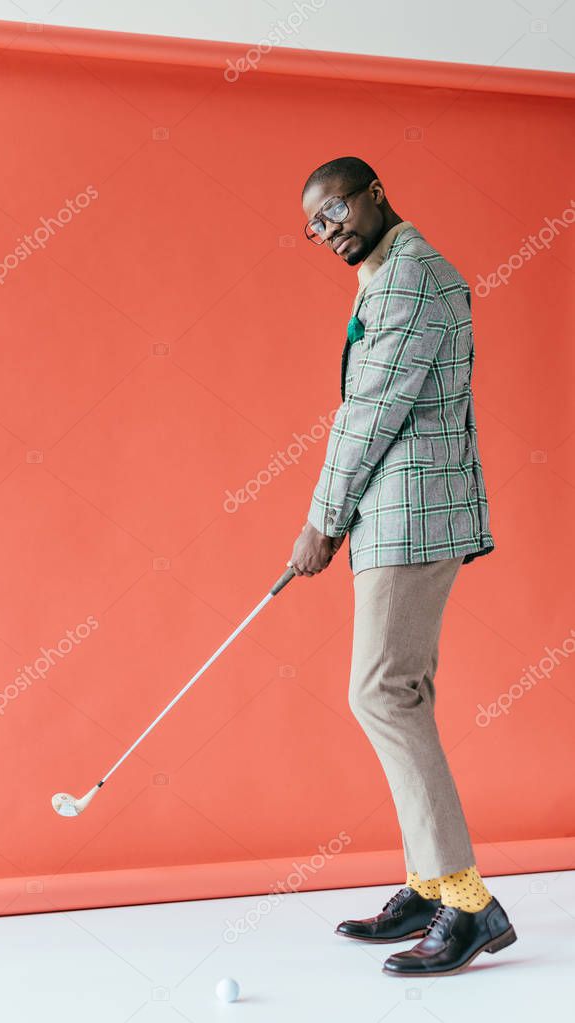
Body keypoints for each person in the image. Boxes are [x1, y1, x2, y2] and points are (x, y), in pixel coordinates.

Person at [287, 156, 516, 977]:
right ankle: (426, 883)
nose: (328, 230)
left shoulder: (408, 276)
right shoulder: (392, 272)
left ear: (375, 194)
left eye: (336, 210)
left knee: (380, 692)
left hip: (410, 512)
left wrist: (321, 519)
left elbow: (370, 411)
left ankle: (467, 901)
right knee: (401, 690)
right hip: (402, 509)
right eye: (314, 225)